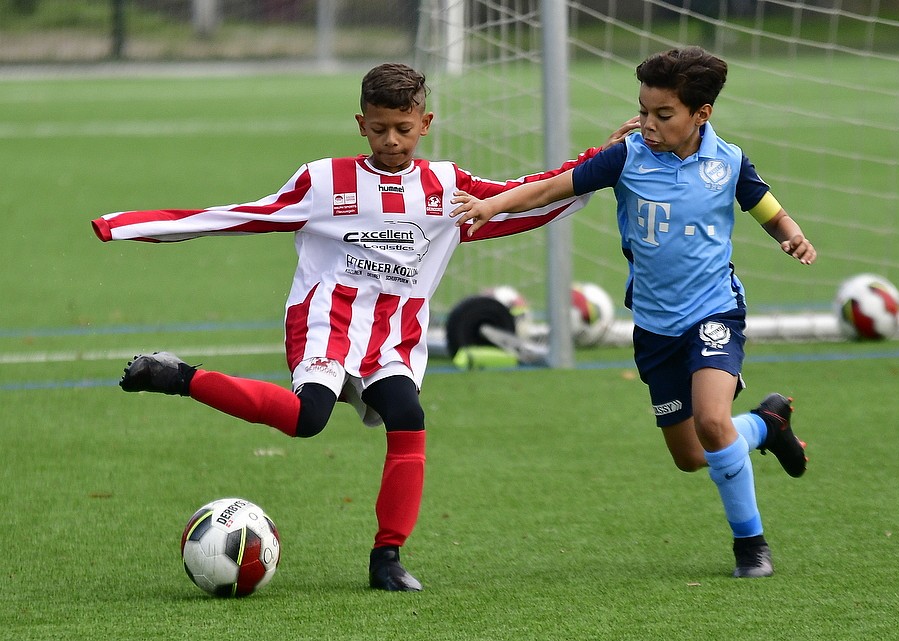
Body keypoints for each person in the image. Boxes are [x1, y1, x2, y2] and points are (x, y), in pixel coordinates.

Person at [91, 63, 637, 592]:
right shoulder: (323, 180)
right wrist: (126, 227)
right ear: (361, 124)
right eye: (379, 129)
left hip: (395, 337)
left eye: (403, 128)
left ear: (426, 124)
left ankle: (388, 558)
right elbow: (240, 216)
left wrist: (598, 163)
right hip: (326, 322)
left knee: (407, 415)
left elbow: (520, 199)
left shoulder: (447, 186)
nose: (392, 140)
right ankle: (177, 376)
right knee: (308, 418)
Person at [451, 46, 816, 578]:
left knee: (712, 422)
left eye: (663, 114)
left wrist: (791, 233)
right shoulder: (625, 157)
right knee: (691, 455)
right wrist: (491, 204)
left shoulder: (729, 161)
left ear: (701, 114)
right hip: (654, 325)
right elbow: (551, 188)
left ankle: (751, 546)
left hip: (715, 311)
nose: (648, 123)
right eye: (643, 111)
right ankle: (766, 425)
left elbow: (764, 205)